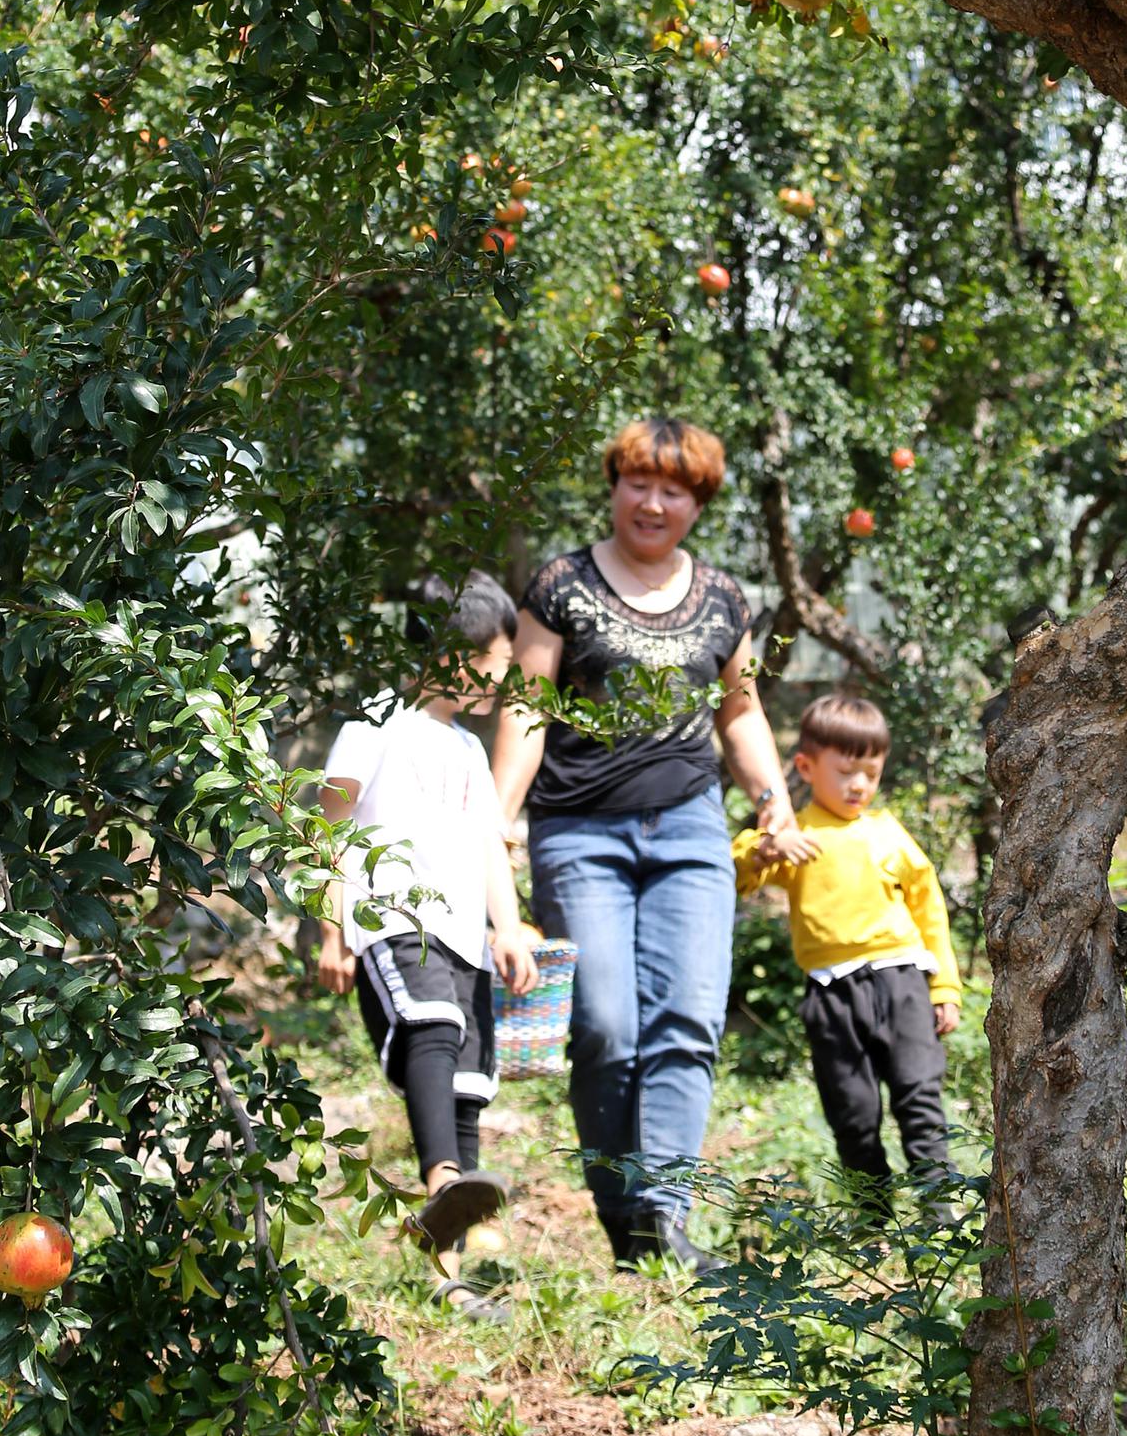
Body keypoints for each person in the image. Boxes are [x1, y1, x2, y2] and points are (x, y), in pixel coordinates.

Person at [491, 415, 807, 1273]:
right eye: (640, 482)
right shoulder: (560, 585)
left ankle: (665, 1221)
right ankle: (621, 1216)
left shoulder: (725, 599)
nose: (654, 502)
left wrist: (774, 805)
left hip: (692, 828)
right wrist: (496, 822)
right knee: (604, 1025)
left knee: (689, 1019)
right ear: (615, 484)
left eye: (675, 490)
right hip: (578, 830)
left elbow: (740, 712)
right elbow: (526, 706)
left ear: (698, 503)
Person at [317, 574, 541, 1261]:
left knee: (470, 1082)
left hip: (465, 935)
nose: (500, 681)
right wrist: (331, 926)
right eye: (495, 663)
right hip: (392, 917)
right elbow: (326, 822)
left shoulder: (470, 749)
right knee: (433, 1025)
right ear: (450, 653)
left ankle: (452, 1248)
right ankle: (442, 1175)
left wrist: (506, 927)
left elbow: (487, 848)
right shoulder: (377, 720)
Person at [735, 687, 960, 1188]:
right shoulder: (797, 834)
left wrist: (944, 987)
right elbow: (739, 872)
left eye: (872, 774)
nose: (859, 785)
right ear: (806, 767)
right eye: (845, 772)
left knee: (919, 1098)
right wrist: (767, 847)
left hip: (902, 981)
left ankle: (939, 1212)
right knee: (852, 1113)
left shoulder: (887, 830)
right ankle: (874, 1222)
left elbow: (929, 908)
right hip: (832, 993)